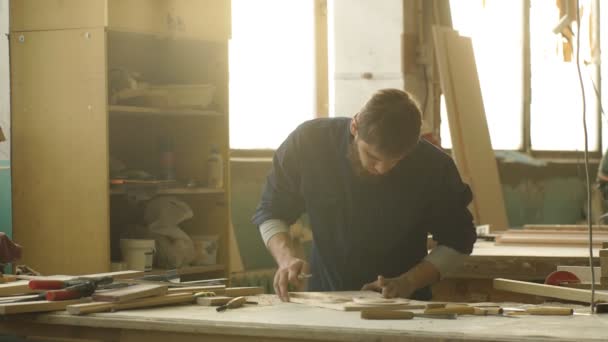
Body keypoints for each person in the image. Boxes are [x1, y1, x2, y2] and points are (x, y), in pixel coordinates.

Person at [252, 89, 476, 302]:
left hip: (403, 304)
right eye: (372, 156)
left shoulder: (433, 167)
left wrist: (408, 282)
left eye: (395, 161)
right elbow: (271, 210)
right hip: (325, 298)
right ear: (355, 126)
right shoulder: (310, 143)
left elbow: (459, 240)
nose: (382, 169)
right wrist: (286, 259)